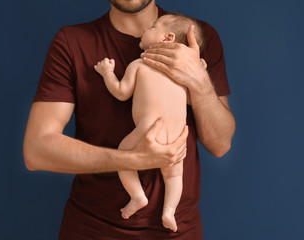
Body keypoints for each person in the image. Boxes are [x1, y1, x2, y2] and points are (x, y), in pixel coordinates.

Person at [23, 0, 236, 239]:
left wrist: (199, 79)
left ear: (167, 37)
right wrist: (134, 158)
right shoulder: (72, 41)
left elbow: (221, 144)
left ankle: (165, 210)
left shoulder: (194, 37)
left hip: (178, 234)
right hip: (91, 230)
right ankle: (161, 206)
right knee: (172, 175)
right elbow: (36, 150)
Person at [94, 13, 204, 232]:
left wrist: (107, 73)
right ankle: (169, 211)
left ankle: (137, 196)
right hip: (175, 136)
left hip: (147, 130)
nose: (145, 29)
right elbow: (193, 100)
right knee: (174, 175)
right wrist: (199, 72)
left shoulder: (139, 64)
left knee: (123, 158)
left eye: (153, 27)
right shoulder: (181, 75)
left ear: (167, 38)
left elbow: (121, 92)